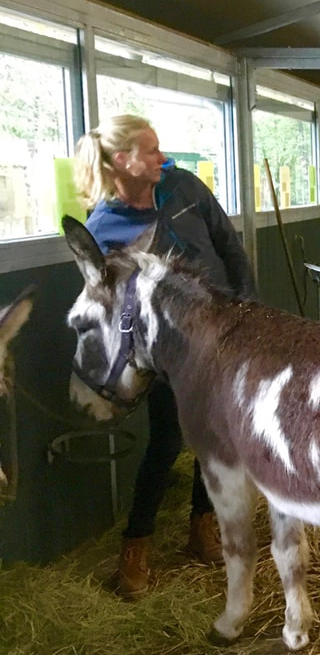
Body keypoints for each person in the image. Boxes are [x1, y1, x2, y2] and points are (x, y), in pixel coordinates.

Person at [74, 114, 256, 599]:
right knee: (167, 442)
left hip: (220, 335)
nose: (162, 158)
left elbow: (230, 247)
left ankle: (201, 526)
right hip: (163, 351)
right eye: (151, 151)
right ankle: (135, 546)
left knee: (215, 438)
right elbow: (106, 301)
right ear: (121, 161)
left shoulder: (185, 188)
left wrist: (246, 309)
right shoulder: (104, 226)